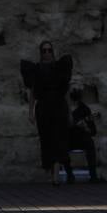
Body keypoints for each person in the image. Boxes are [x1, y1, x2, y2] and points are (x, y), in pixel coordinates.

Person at [21, 42, 75, 185]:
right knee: (47, 140)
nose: (47, 53)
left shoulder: (60, 68)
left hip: (58, 106)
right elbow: (33, 92)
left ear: (53, 52)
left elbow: (66, 91)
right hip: (43, 108)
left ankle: (56, 175)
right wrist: (30, 112)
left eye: (49, 50)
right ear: (40, 53)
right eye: (44, 51)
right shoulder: (37, 70)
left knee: (58, 139)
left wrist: (70, 112)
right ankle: (52, 172)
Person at [69, 87, 101, 182]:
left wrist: (86, 128)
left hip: (81, 139)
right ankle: (70, 175)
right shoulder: (64, 109)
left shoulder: (85, 109)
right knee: (60, 145)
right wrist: (73, 125)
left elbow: (93, 131)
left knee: (90, 143)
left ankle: (93, 176)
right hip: (68, 138)